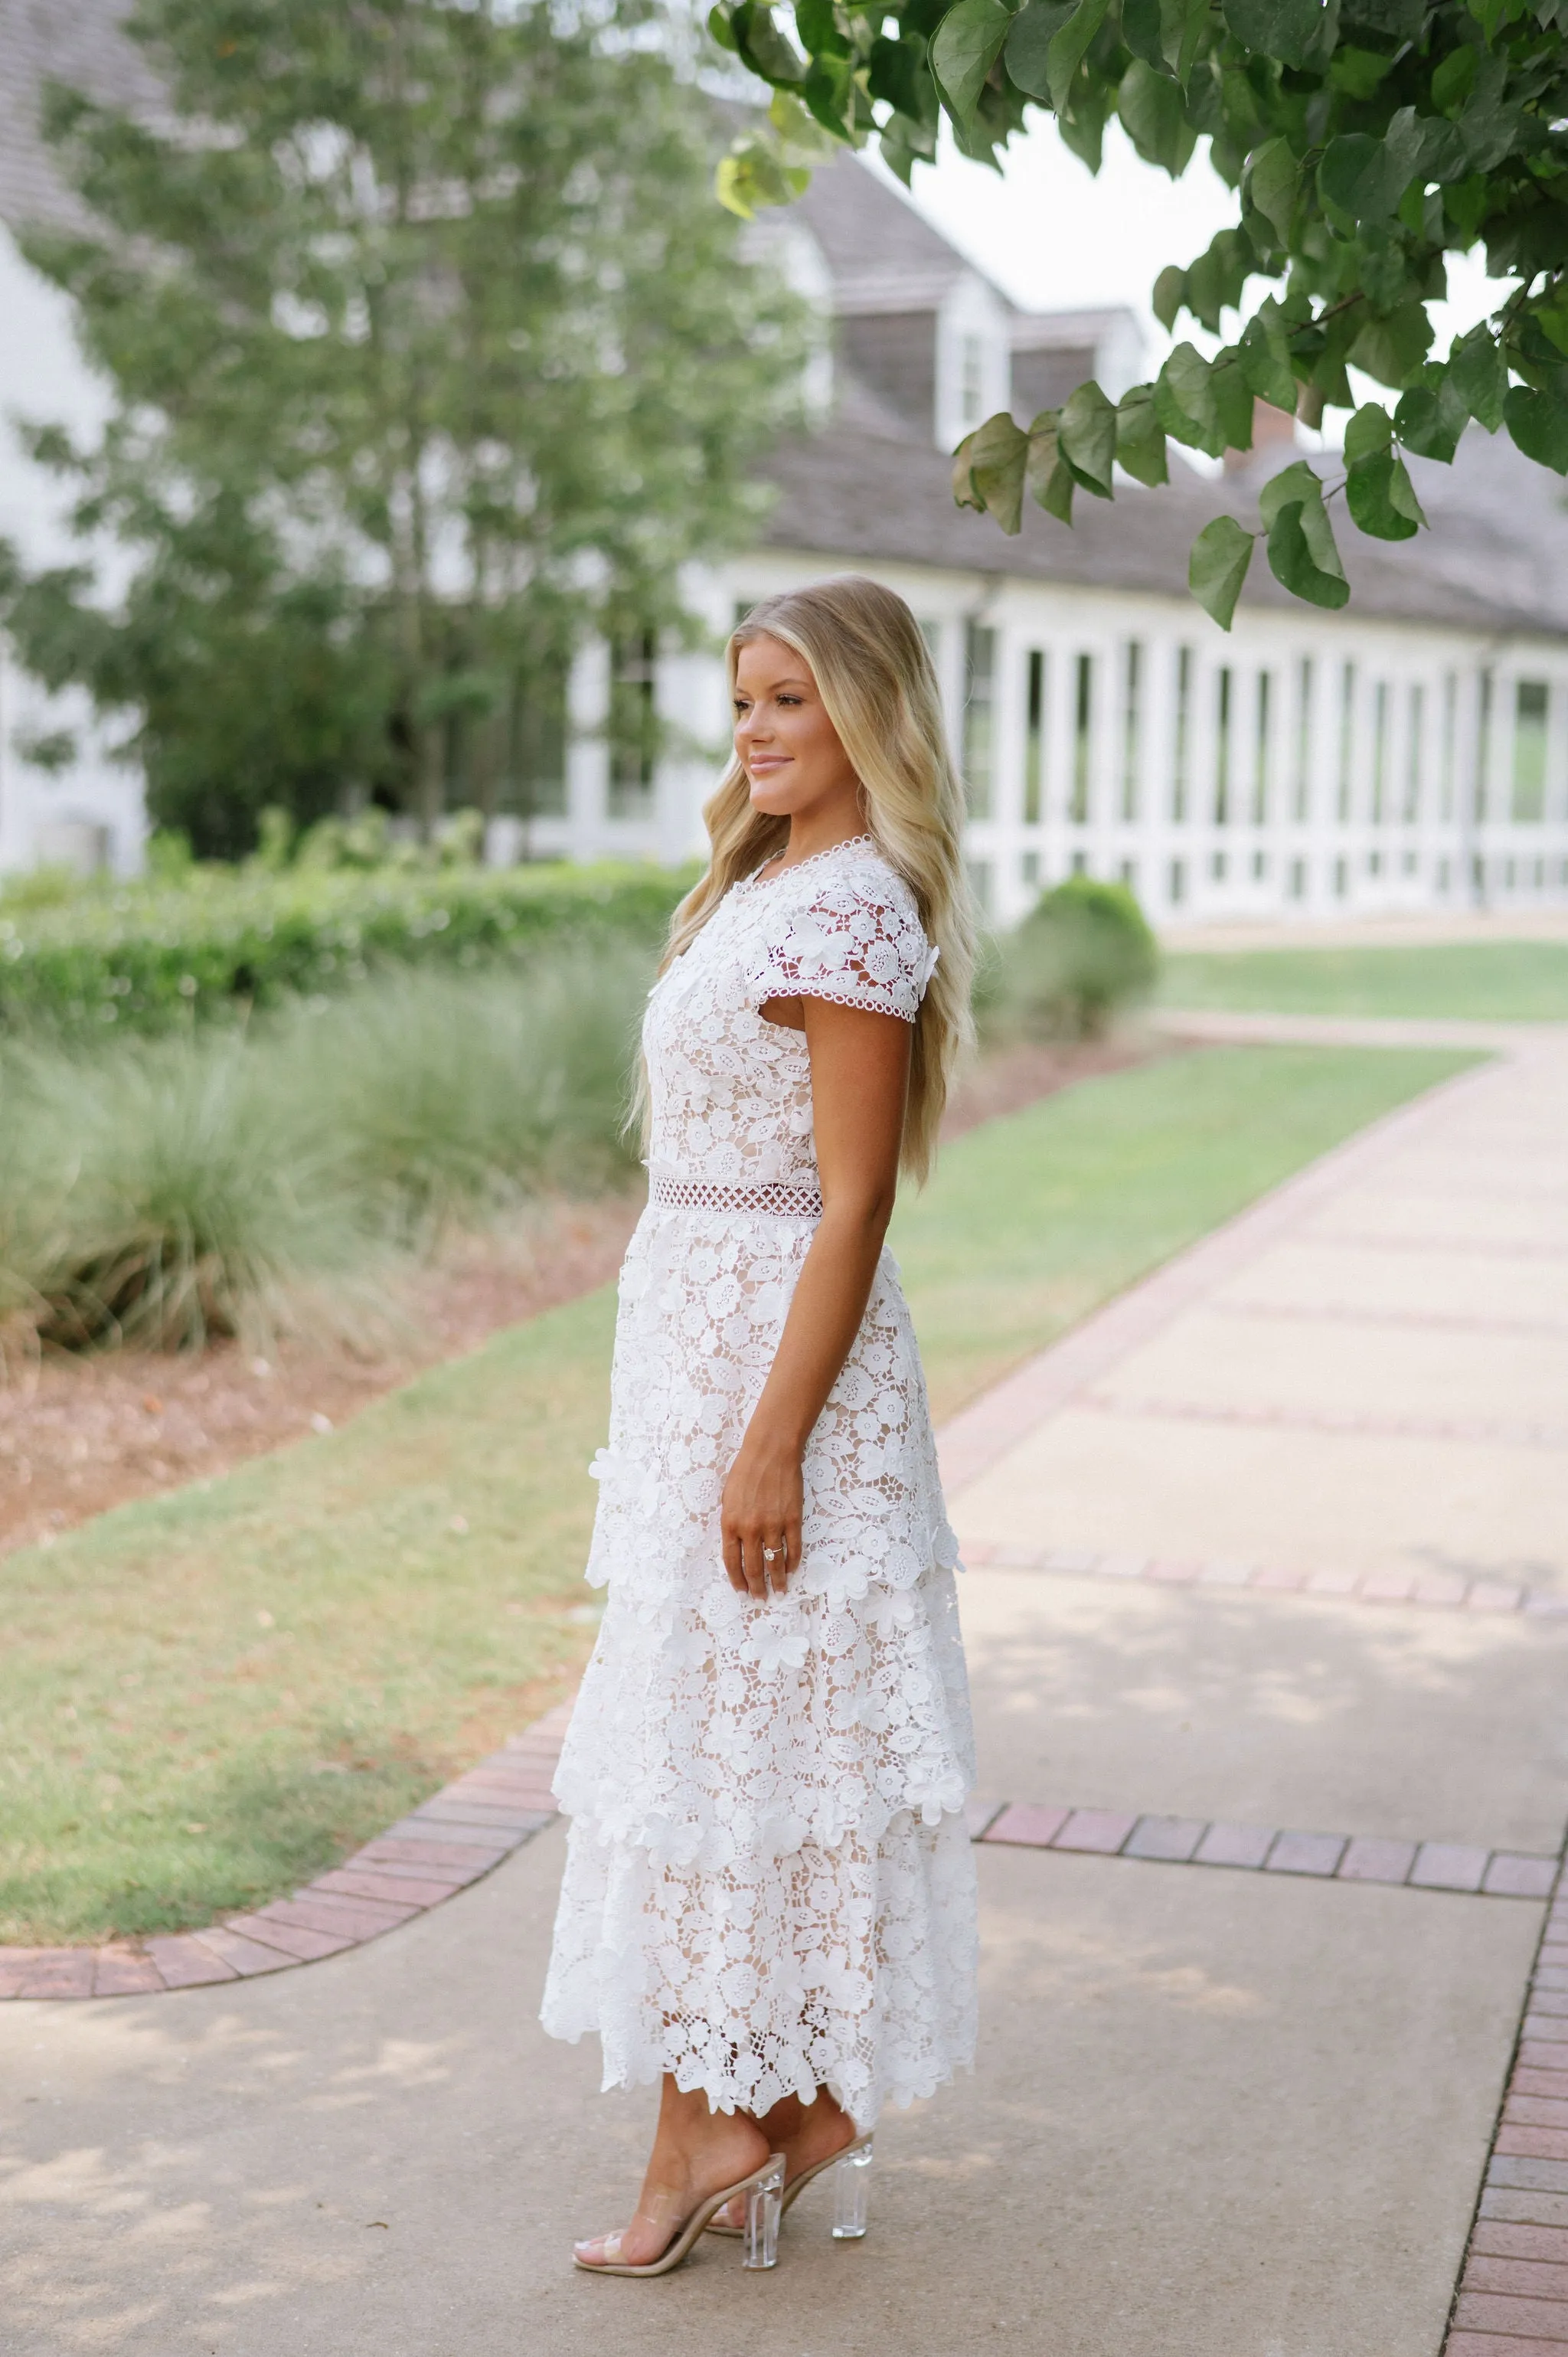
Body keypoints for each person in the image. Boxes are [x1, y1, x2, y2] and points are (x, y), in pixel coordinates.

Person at [540, 574, 979, 2277]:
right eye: (743, 703)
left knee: (761, 1751)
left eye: (790, 700)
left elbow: (854, 1204)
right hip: (694, 1362)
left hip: (784, 1379)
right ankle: (759, 2109)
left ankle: (726, 2126)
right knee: (725, 1749)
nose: (756, 731)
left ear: (866, 711)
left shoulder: (855, 908)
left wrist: (773, 1440)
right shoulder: (758, 881)